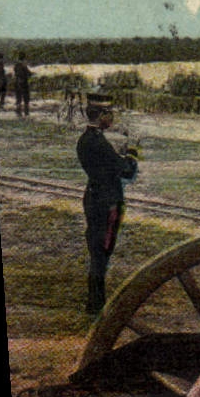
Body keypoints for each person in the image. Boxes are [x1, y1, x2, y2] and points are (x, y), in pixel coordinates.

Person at [77, 94, 140, 315]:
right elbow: (127, 171)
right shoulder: (99, 142)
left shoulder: (86, 140)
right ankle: (97, 304)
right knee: (103, 253)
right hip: (109, 202)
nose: (112, 117)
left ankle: (95, 302)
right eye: (110, 113)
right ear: (102, 115)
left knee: (97, 252)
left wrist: (117, 157)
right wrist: (132, 153)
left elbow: (106, 164)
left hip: (93, 197)